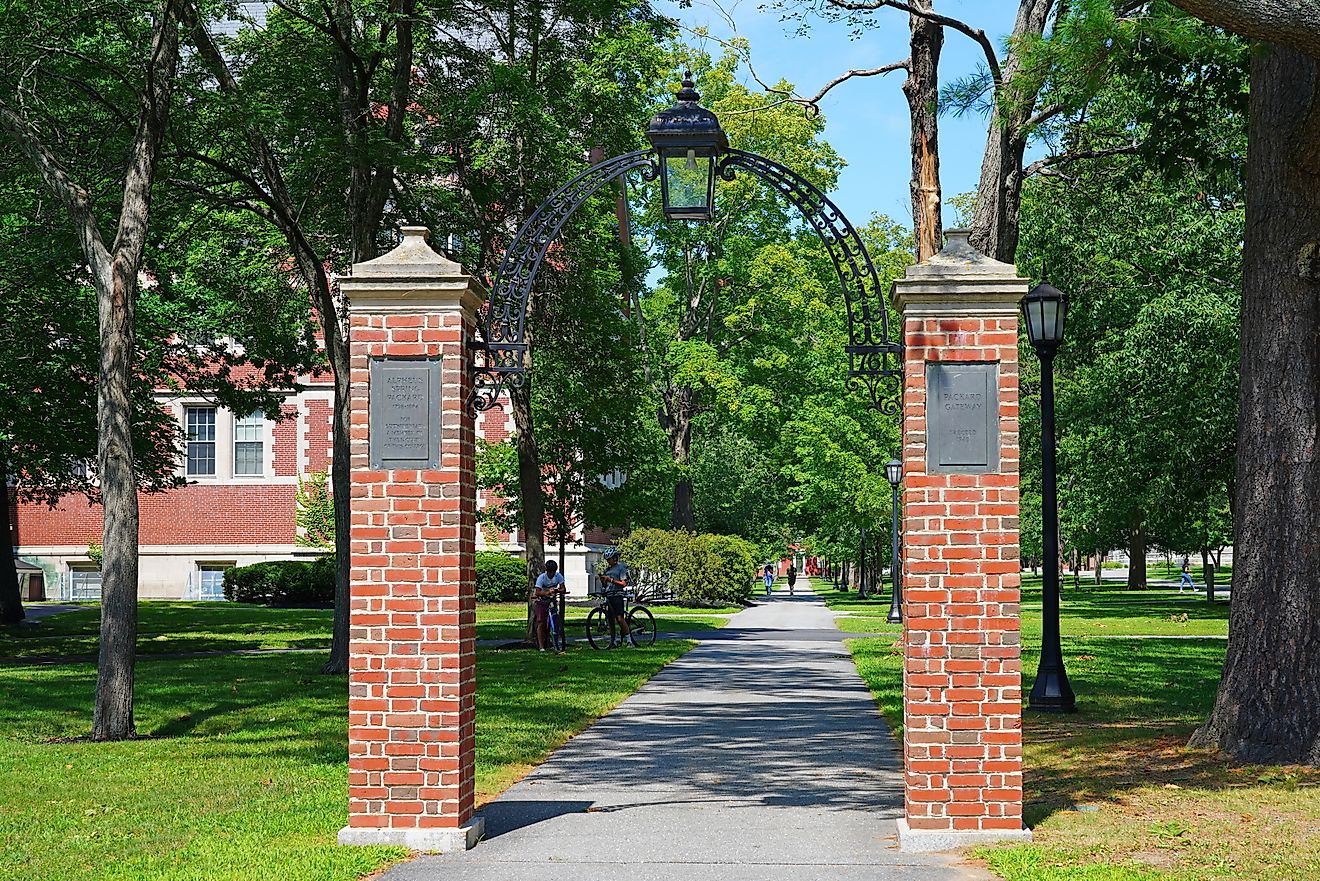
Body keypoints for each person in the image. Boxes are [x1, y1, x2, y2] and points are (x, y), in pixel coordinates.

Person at [599, 551, 633, 648]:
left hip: (618, 595)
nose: (608, 561)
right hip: (610, 595)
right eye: (607, 560)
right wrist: (604, 581)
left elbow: (623, 584)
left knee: (620, 618)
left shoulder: (621, 568)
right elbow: (606, 585)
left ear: (615, 558)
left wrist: (611, 580)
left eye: (609, 559)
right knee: (610, 619)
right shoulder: (607, 570)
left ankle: (629, 640)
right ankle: (613, 640)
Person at [533, 560, 566, 652]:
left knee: (555, 618)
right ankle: (541, 646)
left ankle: (554, 640)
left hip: (552, 600)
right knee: (541, 622)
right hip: (542, 601)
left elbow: (563, 588)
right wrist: (546, 593)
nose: (551, 573)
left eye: (553, 571)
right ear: (547, 570)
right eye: (550, 571)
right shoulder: (542, 578)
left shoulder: (558, 576)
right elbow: (537, 592)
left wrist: (557, 591)